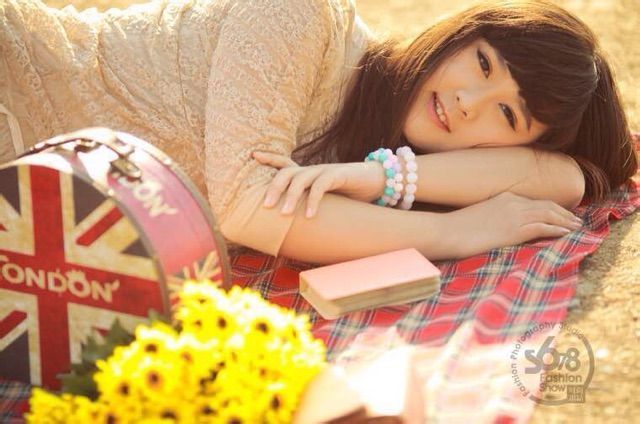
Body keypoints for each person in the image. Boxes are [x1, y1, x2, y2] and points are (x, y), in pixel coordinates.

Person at [0, 0, 636, 265]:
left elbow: (564, 178)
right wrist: (455, 231)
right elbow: (248, 205)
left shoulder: (367, 158)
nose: (469, 103)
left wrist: (378, 177)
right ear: (460, 33)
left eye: (509, 116)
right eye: (483, 64)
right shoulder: (305, 16)